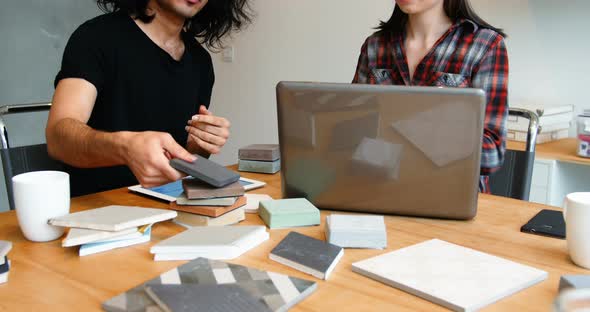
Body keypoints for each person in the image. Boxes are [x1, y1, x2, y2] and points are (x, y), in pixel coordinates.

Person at [46, 0, 252, 195]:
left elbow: (181, 159)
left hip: (166, 208)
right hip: (95, 210)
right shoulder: (96, 37)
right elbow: (57, 139)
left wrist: (200, 144)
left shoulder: (200, 61)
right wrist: (124, 146)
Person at [353, 0, 508, 193]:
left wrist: (400, 137)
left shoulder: (485, 45)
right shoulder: (374, 46)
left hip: (452, 195)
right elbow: (355, 135)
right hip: (379, 191)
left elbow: (491, 154)